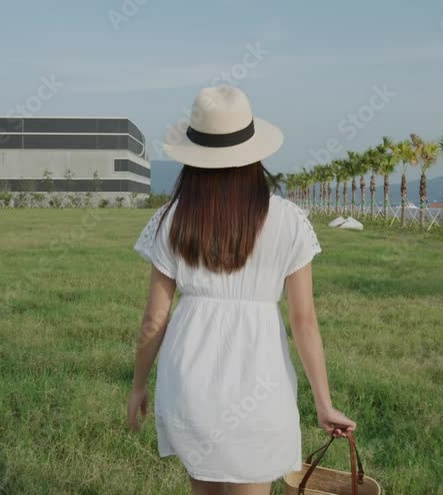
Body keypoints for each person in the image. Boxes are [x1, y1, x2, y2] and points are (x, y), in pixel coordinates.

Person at [127, 86, 356, 495]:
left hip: (191, 381)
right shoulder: (288, 220)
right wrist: (324, 402)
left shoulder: (171, 219)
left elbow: (153, 320)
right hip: (260, 383)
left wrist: (138, 385)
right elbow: (303, 321)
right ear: (253, 152)